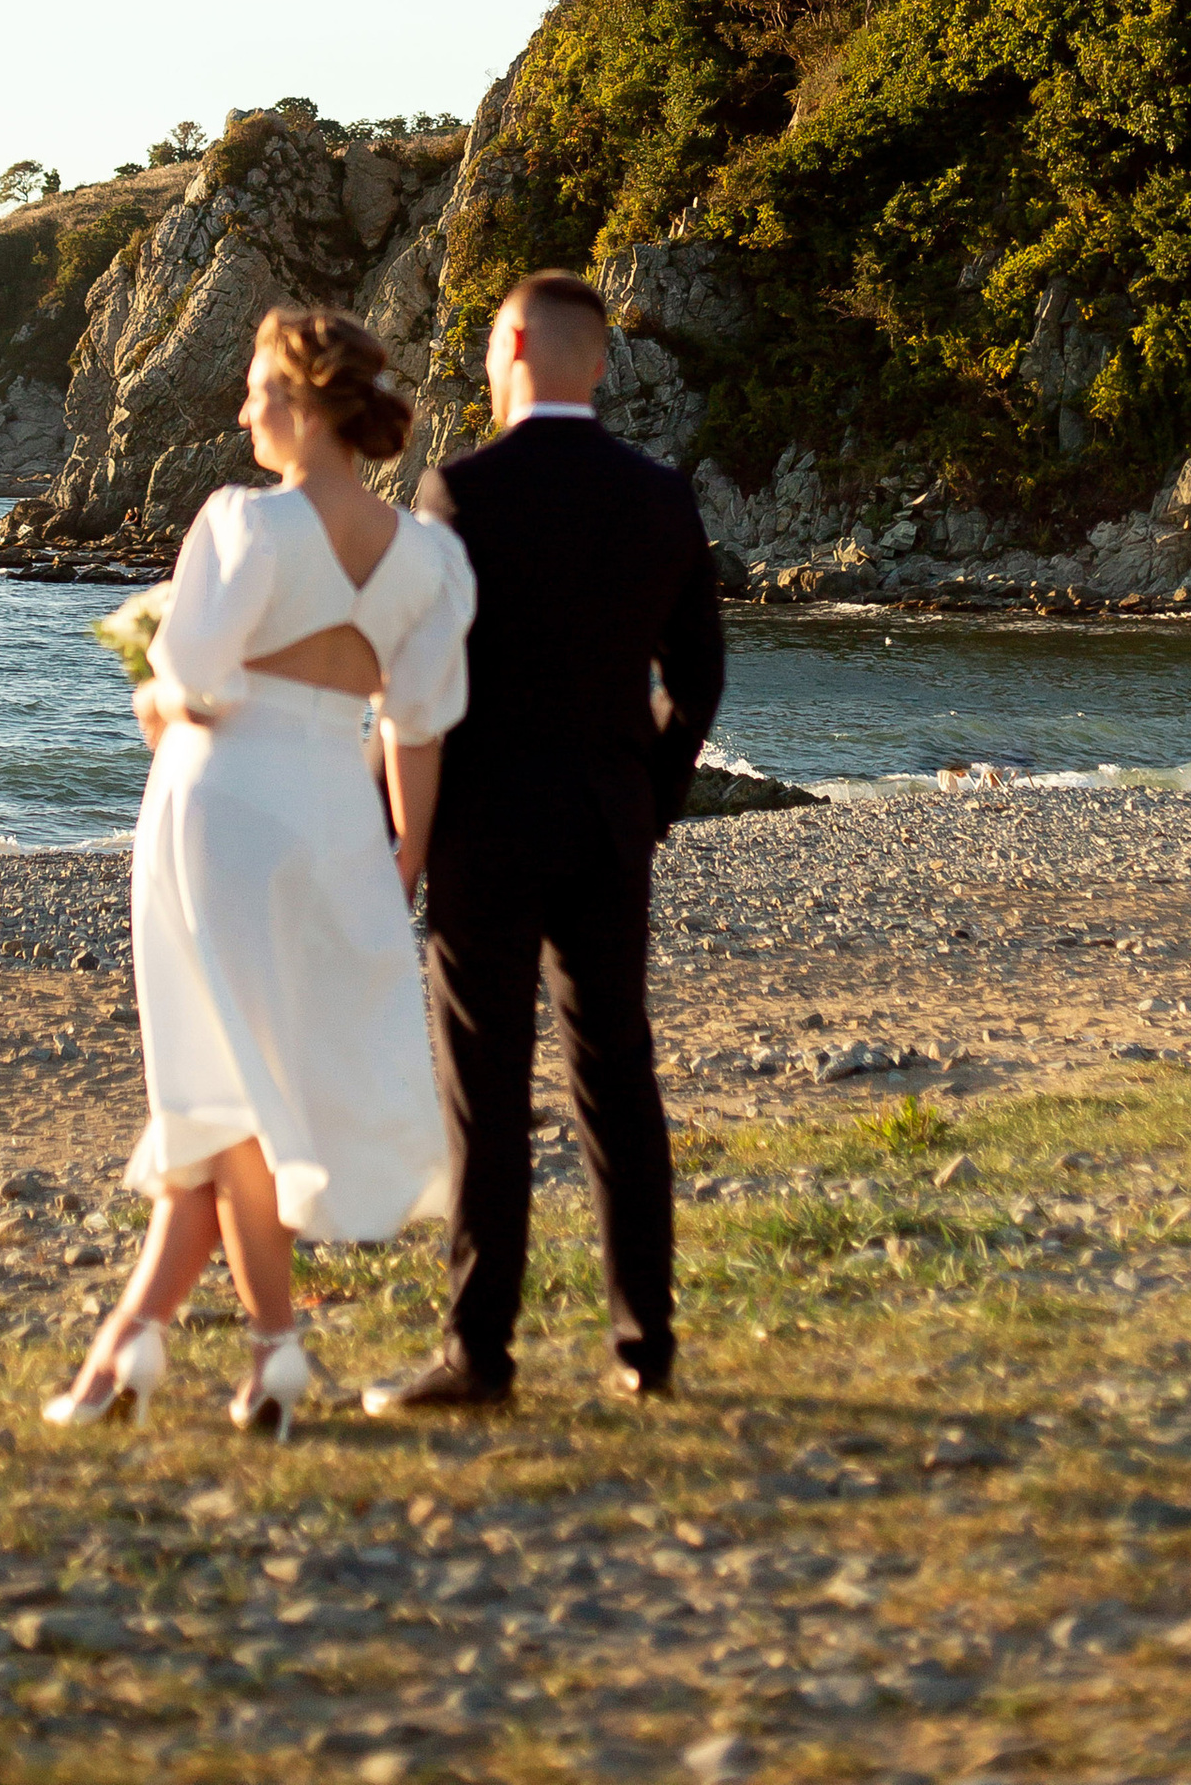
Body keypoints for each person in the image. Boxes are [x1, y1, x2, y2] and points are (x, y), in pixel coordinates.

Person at [43, 306, 475, 1440]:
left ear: (298, 398)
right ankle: (129, 1344)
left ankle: (269, 1343)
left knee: (223, 1084)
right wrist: (405, 857)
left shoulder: (242, 522)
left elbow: (194, 681)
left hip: (220, 803)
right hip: (342, 814)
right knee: (234, 1079)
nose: (243, 412)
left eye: (254, 391)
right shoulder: (429, 555)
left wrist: (148, 693)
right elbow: (418, 724)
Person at [363, 267, 725, 1415]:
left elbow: (419, 681)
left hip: (483, 825)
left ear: (510, 344)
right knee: (618, 1081)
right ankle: (643, 1348)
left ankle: (481, 1355)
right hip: (608, 821)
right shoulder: (661, 494)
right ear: (600, 360)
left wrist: (398, 825)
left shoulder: (459, 492)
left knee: (486, 1090)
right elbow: (701, 675)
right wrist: (647, 795)